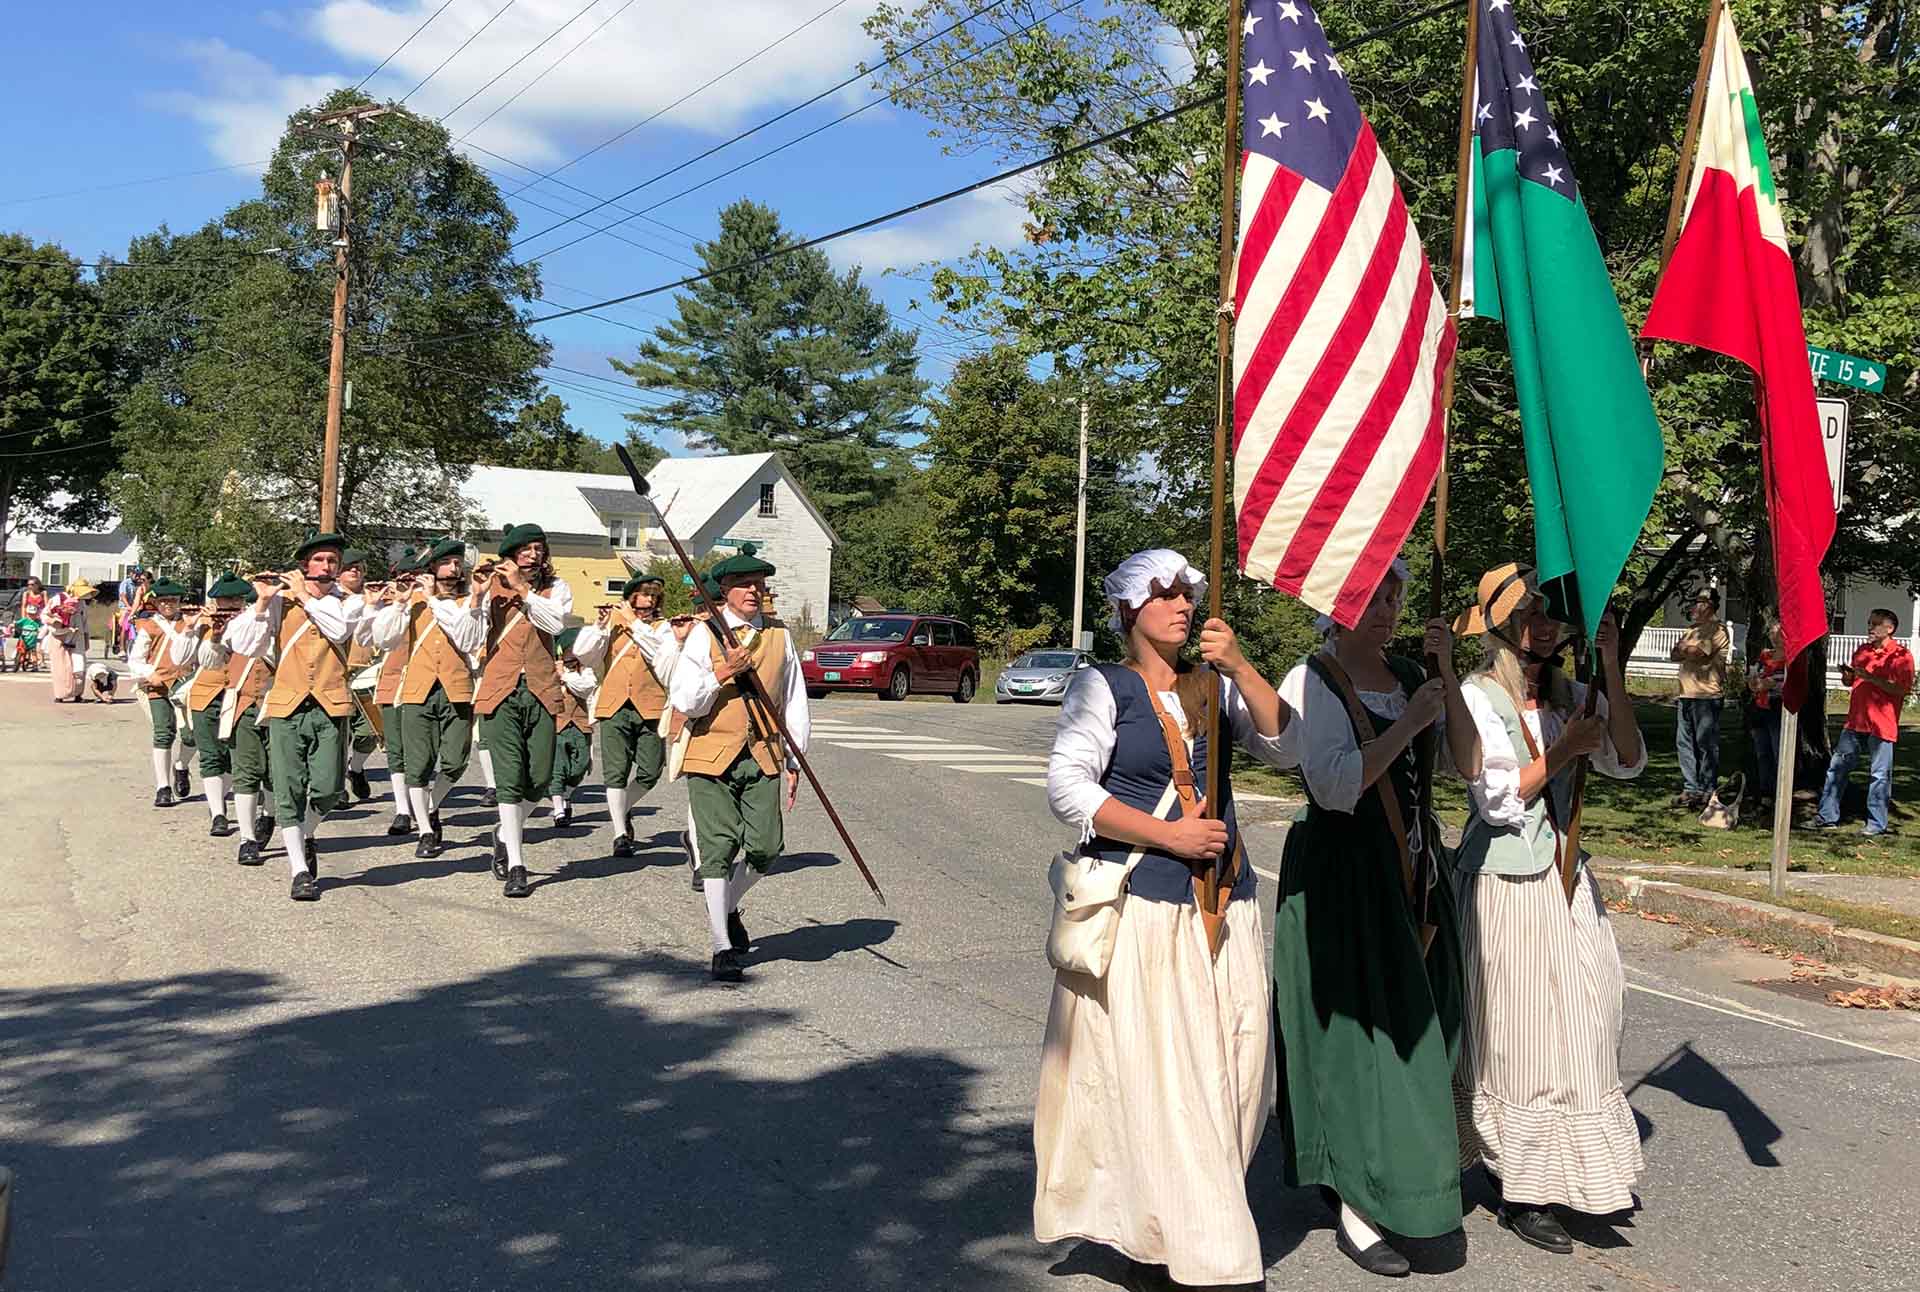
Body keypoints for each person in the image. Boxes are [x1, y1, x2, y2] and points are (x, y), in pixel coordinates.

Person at [1036, 549, 1292, 1289]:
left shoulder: (1210, 684)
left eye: (1189, 595)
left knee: (1240, 1076)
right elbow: (1067, 788)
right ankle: (1208, 1253)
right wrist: (1170, 836)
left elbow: (1285, 745)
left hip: (1228, 904)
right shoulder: (1102, 687)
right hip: (1149, 909)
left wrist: (1241, 666)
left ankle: (1161, 1220)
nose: (1182, 606)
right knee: (1173, 1084)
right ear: (1128, 611)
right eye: (1166, 596)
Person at [1268, 558, 1477, 1278]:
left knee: (1427, 1033)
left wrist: (1443, 679)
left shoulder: (1413, 678)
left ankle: (1408, 1174)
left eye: (1395, 593)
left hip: (1416, 878)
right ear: (1339, 604)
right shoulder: (1314, 680)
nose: (1388, 607)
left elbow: (1468, 768)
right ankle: (1357, 1202)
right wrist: (1405, 726)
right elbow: (1331, 788)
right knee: (1359, 1045)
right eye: (1373, 595)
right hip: (1345, 879)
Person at [1449, 564, 1647, 1255]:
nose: (1546, 623)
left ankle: (1575, 1168)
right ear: (1502, 622)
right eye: (1532, 611)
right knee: (1521, 1032)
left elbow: (1626, 758)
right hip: (1508, 879)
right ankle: (1523, 1187)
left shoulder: (1569, 693)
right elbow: (1496, 800)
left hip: (1568, 877)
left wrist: (1613, 666)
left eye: (1554, 612)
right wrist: (1562, 751)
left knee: (1593, 1013)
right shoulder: (1477, 695)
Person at [669, 545, 808, 982]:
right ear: (725, 590)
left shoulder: (780, 636)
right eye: (745, 584)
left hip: (764, 751)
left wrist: (794, 759)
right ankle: (720, 946)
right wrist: (722, 673)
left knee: (767, 847)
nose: (754, 590)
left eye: (759, 584)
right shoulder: (703, 635)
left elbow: (795, 700)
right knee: (717, 849)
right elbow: (686, 700)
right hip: (711, 753)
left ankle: (727, 905)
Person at [226, 532, 363, 900]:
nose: (327, 567)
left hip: (331, 703)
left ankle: (303, 834)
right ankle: (299, 869)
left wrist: (304, 595)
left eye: (333, 561)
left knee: (330, 788)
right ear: (305, 566)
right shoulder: (279, 602)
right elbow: (244, 646)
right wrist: (260, 602)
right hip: (287, 704)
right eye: (319, 561)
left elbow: (337, 629)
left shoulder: (349, 602)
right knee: (288, 787)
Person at [474, 524, 572, 898]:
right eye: (526, 549)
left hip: (542, 690)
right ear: (511, 553)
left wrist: (523, 589)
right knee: (510, 780)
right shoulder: (488, 590)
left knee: (541, 777)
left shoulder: (555, 589)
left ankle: (503, 831)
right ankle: (517, 862)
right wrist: (477, 596)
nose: (533, 555)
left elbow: (555, 624)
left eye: (538, 549)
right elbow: (469, 639)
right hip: (500, 691)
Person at [371, 538, 485, 859]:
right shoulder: (413, 600)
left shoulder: (471, 601)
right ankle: (424, 830)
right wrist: (399, 604)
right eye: (447, 562)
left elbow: (469, 639)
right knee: (418, 767)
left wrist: (443, 600)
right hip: (417, 690)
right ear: (433, 567)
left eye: (457, 562)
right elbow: (383, 638)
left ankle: (431, 806)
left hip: (457, 689)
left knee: (455, 761)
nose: (454, 567)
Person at [572, 573, 681, 855]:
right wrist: (599, 625)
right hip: (614, 705)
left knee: (650, 771)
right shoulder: (612, 624)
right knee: (615, 773)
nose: (650, 601)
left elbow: (662, 656)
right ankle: (620, 832)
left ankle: (625, 807)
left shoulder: (664, 628)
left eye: (655, 596)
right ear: (631, 597)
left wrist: (634, 624)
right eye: (645, 595)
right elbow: (584, 655)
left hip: (650, 705)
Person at [1816, 608, 1915, 837]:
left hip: (1882, 724)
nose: (1870, 627)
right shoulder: (1862, 651)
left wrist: (1871, 677)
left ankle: (1876, 824)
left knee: (1879, 775)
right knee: (1837, 770)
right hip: (1855, 721)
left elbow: (1901, 689)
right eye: (1869, 622)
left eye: (1875, 624)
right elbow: (1852, 683)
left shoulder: (1901, 656)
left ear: (1889, 629)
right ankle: (1827, 816)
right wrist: (1849, 676)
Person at [172, 574, 256, 837]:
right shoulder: (204, 624)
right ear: (216, 601)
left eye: (236, 600)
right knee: (210, 757)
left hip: (239, 695)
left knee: (234, 758)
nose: (230, 605)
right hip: (206, 695)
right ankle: (218, 813)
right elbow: (179, 658)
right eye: (225, 600)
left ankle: (221, 800)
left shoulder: (252, 621)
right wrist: (190, 627)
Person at [128, 579, 195, 807]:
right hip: (158, 685)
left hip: (185, 685)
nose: (168, 605)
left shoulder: (189, 623)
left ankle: (181, 766)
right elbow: (136, 659)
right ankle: (163, 786)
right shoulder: (149, 626)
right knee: (163, 734)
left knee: (190, 735)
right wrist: (149, 673)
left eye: (173, 600)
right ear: (156, 602)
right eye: (164, 600)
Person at [371, 548, 421, 837]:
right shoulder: (387, 603)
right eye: (405, 577)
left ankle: (424, 802)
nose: (411, 581)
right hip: (393, 678)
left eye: (415, 576)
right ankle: (403, 809)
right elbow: (374, 637)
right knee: (396, 750)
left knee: (424, 751)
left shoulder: (440, 602)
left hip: (427, 681)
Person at [1668, 587, 1729, 809]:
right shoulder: (1691, 630)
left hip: (1706, 695)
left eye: (1701, 601)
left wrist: (1686, 649)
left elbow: (1698, 653)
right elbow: (1674, 654)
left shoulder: (1718, 630)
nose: (1696, 605)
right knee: (1684, 744)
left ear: (1711, 605)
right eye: (1696, 600)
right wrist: (1686, 648)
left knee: (1706, 744)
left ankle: (1707, 789)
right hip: (1685, 694)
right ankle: (1690, 788)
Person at [549, 628, 596, 827]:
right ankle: (558, 807)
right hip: (557, 724)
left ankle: (566, 794)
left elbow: (586, 688)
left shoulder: (586, 670)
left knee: (581, 764)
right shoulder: (551, 667)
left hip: (580, 723)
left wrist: (565, 675)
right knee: (557, 767)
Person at [1746, 620, 1787, 807]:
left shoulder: (1789, 658)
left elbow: (1781, 682)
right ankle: (1766, 792)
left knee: (1779, 751)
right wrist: (1754, 683)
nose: (1772, 635)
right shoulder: (1765, 655)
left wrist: (1768, 684)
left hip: (1778, 707)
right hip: (1760, 706)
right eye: (1770, 632)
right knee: (1763, 752)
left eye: (1776, 632)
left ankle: (1782, 792)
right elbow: (1757, 680)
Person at [44, 580, 90, 702]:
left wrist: (86, 638)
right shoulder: (58, 598)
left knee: (79, 665)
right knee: (61, 667)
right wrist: (56, 622)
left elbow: (85, 621)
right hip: (59, 636)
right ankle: (60, 695)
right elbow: (45, 615)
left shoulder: (82, 603)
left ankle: (78, 694)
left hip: (78, 635)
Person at [19, 578, 47, 671]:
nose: (30, 586)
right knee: (26, 637)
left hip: (39, 619)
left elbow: (47, 606)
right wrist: (23, 619)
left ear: (37, 584)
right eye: (28, 584)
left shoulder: (43, 593)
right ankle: (22, 656)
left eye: (32, 584)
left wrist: (45, 617)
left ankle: (41, 660)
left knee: (38, 640)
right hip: (29, 618)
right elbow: (24, 605)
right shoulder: (26, 593)